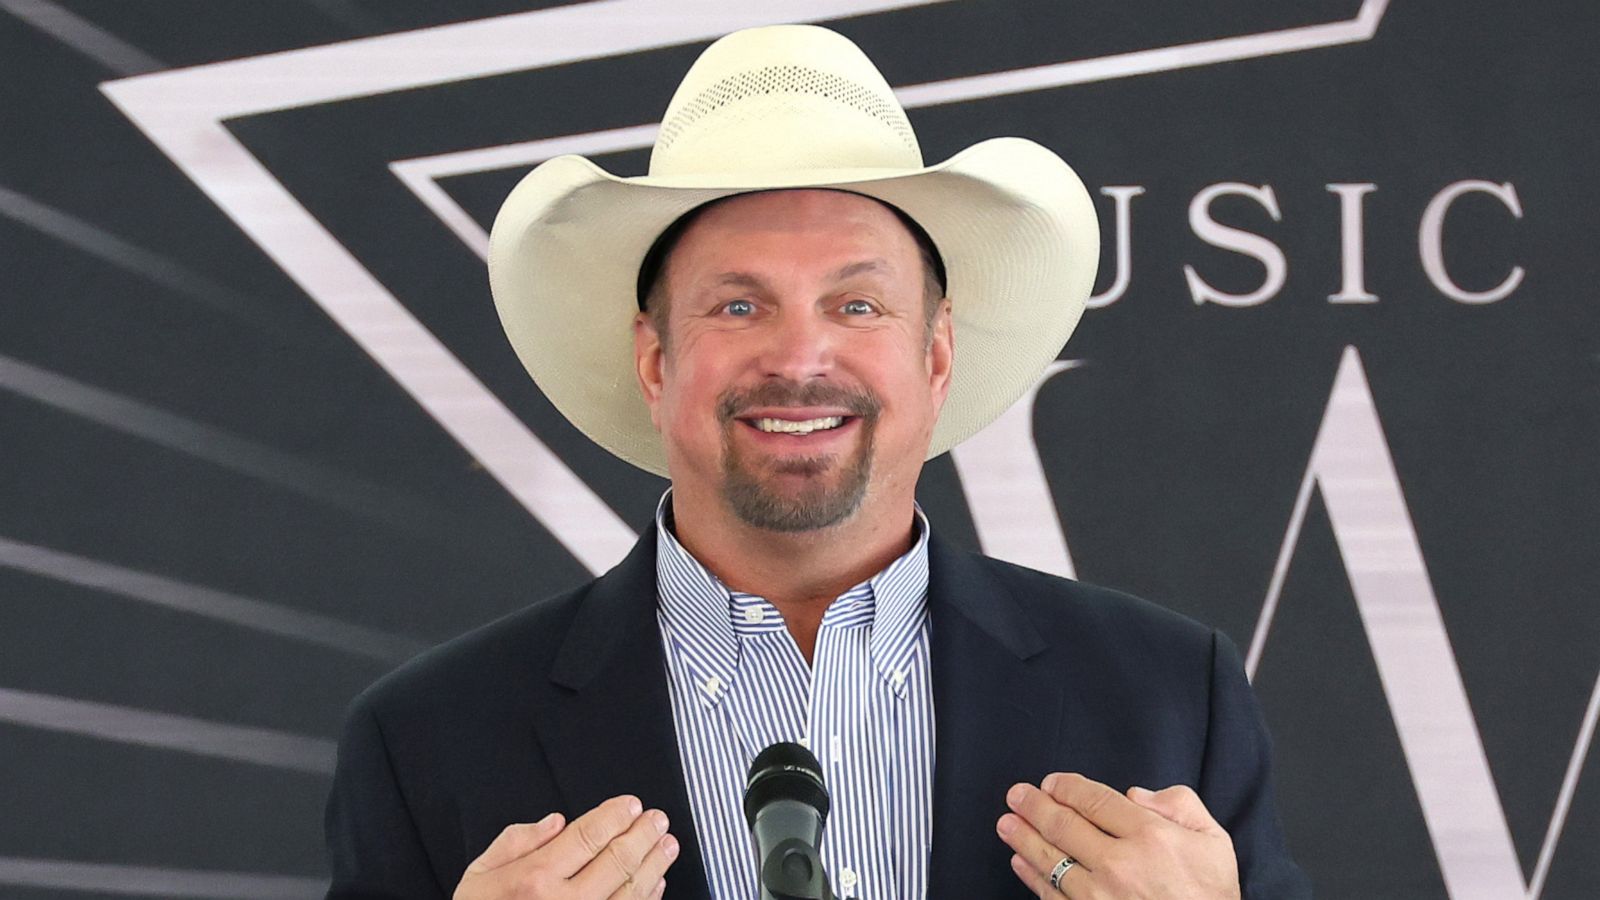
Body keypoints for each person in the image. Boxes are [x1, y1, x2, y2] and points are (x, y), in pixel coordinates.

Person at [324, 24, 1311, 900]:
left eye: (856, 305)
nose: (798, 360)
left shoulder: (1172, 695)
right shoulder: (427, 739)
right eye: (739, 306)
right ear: (656, 361)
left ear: (934, 358)